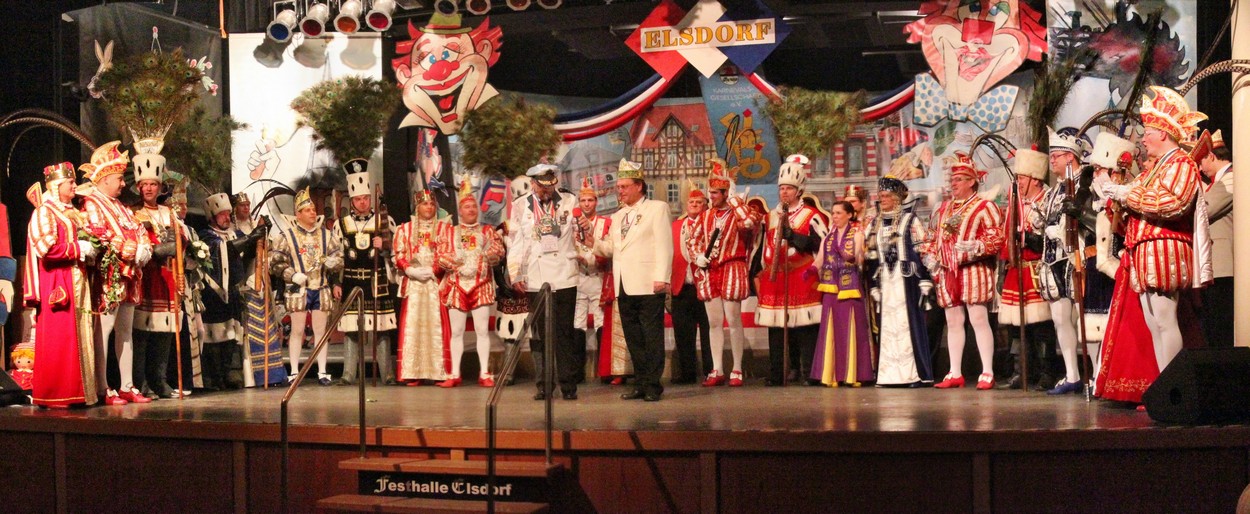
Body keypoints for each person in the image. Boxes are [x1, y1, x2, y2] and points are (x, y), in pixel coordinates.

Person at [1100, 86, 1211, 376]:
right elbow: (1135, 201)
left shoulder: (1181, 164)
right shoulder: (1153, 170)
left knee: (1164, 320)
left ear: (1163, 133)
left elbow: (1174, 203)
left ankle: (1174, 386)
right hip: (1144, 250)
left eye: (1147, 131)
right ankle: (1167, 386)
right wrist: (1115, 197)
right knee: (1154, 324)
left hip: (1164, 249)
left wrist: (1126, 195)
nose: (1143, 137)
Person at [585, 159, 673, 401]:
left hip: (647, 282)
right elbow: (613, 248)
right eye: (619, 186)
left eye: (624, 186)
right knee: (633, 337)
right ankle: (641, 383)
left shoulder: (657, 208)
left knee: (651, 336)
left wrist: (661, 278)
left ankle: (653, 385)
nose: (619, 190)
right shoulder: (618, 216)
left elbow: (665, 246)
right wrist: (593, 243)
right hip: (623, 285)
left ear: (639, 186)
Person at [921, 151, 1004, 390]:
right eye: (952, 179)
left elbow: (996, 238)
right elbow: (931, 236)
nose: (953, 183)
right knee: (953, 320)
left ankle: (987, 371)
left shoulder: (984, 207)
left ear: (971, 181)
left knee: (978, 318)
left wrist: (977, 246)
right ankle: (954, 371)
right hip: (948, 272)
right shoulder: (944, 209)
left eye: (958, 179)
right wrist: (930, 256)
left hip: (973, 270)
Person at [80, 141, 152, 405]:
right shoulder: (92, 204)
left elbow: (139, 229)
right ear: (106, 179)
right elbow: (98, 234)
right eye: (120, 179)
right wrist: (131, 248)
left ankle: (127, 385)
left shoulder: (121, 207)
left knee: (126, 331)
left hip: (130, 276)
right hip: (108, 276)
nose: (124, 184)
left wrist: (144, 248)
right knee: (105, 331)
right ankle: (103, 386)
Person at [23, 163, 97, 407]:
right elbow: (45, 248)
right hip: (58, 281)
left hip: (78, 279)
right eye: (70, 183)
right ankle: (59, 393)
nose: (75, 186)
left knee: (80, 334)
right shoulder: (45, 212)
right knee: (61, 338)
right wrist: (77, 248)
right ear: (57, 186)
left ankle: (81, 392)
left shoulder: (71, 212)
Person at [506, 164, 579, 399]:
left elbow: (579, 236)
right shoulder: (520, 205)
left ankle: (568, 385)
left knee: (565, 333)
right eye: (541, 187)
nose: (546, 191)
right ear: (533, 184)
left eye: (550, 186)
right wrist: (516, 274)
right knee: (540, 335)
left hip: (565, 275)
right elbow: (515, 242)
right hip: (536, 277)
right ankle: (544, 385)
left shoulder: (569, 202)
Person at [755, 154, 827, 386]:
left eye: (789, 188)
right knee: (776, 330)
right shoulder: (771, 216)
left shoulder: (811, 216)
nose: (784, 192)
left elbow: (821, 245)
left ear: (798, 191)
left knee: (805, 329)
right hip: (776, 278)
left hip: (802, 277)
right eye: (782, 188)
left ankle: (810, 373)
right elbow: (762, 245)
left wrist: (794, 237)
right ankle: (777, 373)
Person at [690, 158, 760, 387]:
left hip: (732, 267)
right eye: (710, 192)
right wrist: (698, 255)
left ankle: (737, 367)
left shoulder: (737, 212)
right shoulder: (706, 216)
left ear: (725, 191)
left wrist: (735, 201)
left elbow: (749, 223)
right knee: (714, 321)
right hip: (711, 271)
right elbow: (694, 240)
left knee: (733, 319)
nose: (711, 196)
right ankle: (717, 367)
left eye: (716, 193)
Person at [332, 161, 398, 386]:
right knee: (352, 331)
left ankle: (386, 373)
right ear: (352, 201)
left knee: (381, 329)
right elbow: (335, 255)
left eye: (366, 198)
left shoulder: (382, 220)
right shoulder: (341, 224)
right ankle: (349, 373)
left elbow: (397, 249)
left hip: (375, 281)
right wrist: (335, 282)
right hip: (351, 282)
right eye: (359, 199)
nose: (363, 202)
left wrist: (385, 245)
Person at [865, 176, 934, 387]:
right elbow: (871, 256)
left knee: (908, 327)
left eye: (886, 196)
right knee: (888, 328)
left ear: (896, 198)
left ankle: (914, 375)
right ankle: (889, 376)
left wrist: (925, 279)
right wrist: (875, 284)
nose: (882, 199)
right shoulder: (874, 224)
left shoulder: (910, 220)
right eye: (881, 196)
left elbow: (924, 249)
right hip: (887, 281)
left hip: (907, 281)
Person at [271, 187, 343, 386]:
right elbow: (276, 263)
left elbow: (339, 258)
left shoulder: (328, 236)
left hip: (321, 287)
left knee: (321, 331)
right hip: (299, 290)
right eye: (308, 210)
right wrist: (293, 275)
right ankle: (294, 371)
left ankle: (322, 371)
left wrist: (331, 263)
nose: (313, 212)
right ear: (298, 214)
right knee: (297, 330)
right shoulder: (286, 236)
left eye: (313, 209)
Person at [131, 159, 190, 399]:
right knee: (142, 335)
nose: (148, 189)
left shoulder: (169, 213)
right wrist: (159, 249)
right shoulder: (133, 213)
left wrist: (178, 244)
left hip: (167, 279)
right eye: (144, 184)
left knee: (165, 334)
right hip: (146, 278)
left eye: (152, 184)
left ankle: (160, 380)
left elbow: (182, 240)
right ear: (138, 187)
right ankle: (140, 381)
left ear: (159, 187)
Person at [996, 148, 1053, 390]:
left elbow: (1049, 237)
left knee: (1041, 327)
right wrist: (1003, 267)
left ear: (1035, 179)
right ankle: (1022, 372)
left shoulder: (1047, 201)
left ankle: (1047, 372)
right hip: (1016, 270)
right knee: (1017, 328)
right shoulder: (1016, 203)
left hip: (1037, 269)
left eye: (1022, 177)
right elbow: (1006, 237)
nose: (1018, 181)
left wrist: (1030, 239)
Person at [439, 180, 505, 388]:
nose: (471, 209)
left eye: (474, 206)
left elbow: (499, 252)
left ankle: (484, 372)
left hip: (481, 284)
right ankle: (455, 373)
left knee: (482, 330)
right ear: (460, 209)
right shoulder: (449, 232)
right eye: (467, 206)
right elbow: (440, 255)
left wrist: (487, 255)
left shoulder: (487, 231)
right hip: (457, 285)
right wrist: (455, 261)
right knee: (457, 331)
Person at [199, 193, 267, 390]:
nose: (227, 218)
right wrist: (250, 237)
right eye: (222, 215)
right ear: (212, 216)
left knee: (230, 338)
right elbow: (225, 250)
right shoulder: (206, 236)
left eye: (229, 214)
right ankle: (214, 377)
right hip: (214, 294)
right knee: (215, 340)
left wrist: (260, 236)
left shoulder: (235, 234)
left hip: (234, 294)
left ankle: (228, 373)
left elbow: (246, 254)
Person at [811, 200, 875, 386]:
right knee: (832, 331)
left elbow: (861, 261)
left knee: (851, 330)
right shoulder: (828, 238)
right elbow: (820, 260)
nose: (835, 216)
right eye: (833, 213)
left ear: (849, 215)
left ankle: (852, 375)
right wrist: (811, 271)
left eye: (839, 213)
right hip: (831, 290)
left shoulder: (857, 235)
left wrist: (853, 257)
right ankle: (832, 375)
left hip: (850, 289)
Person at [394, 188, 448, 385]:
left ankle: (437, 372)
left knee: (435, 327)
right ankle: (412, 371)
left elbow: (447, 253)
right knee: (413, 327)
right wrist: (410, 270)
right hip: (414, 284)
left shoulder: (444, 229)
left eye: (432, 204)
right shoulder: (405, 229)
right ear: (417, 206)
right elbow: (399, 254)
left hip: (435, 284)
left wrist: (435, 269)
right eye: (425, 203)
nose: (429, 207)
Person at [670, 180, 712, 385]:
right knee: (683, 333)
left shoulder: (710, 225)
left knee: (708, 331)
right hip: (681, 285)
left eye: (699, 202)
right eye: (691, 202)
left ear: (705, 205)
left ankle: (710, 371)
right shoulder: (675, 226)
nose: (694, 205)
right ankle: (687, 373)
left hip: (704, 285)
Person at [572, 178, 611, 384]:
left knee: (600, 322)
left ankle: (604, 371)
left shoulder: (605, 223)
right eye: (583, 200)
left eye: (590, 200)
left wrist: (592, 258)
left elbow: (609, 249)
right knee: (577, 324)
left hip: (598, 276)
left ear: (596, 202)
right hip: (578, 277)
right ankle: (576, 373)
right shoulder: (571, 223)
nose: (586, 204)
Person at [1198, 130, 1233, 347]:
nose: (1200, 168)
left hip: (1225, 266)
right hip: (1217, 267)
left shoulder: (1231, 178)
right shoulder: (1218, 182)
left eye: (1201, 161)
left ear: (1212, 155)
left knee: (1222, 328)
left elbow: (1206, 210)